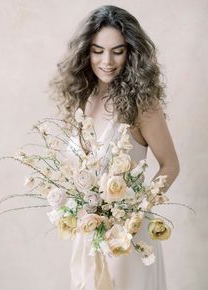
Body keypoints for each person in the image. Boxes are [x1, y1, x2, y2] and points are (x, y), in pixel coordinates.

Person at [49, 5, 180, 290]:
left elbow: (170, 165)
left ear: (131, 52)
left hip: (128, 240)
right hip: (89, 235)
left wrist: (134, 211)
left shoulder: (143, 106)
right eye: (97, 50)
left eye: (117, 51)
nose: (106, 61)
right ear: (86, 52)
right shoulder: (84, 99)